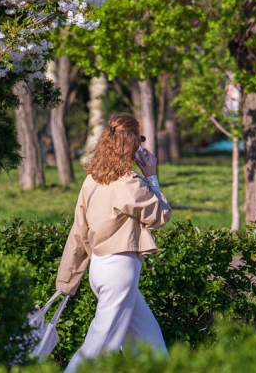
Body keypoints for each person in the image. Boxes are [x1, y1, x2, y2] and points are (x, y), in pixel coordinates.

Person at [56, 113, 171, 373]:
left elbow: (78, 233)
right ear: (131, 145)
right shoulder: (128, 183)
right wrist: (152, 176)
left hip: (99, 269)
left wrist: (67, 278)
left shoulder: (92, 181)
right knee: (100, 347)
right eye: (138, 143)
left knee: (149, 341)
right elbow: (160, 215)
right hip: (119, 270)